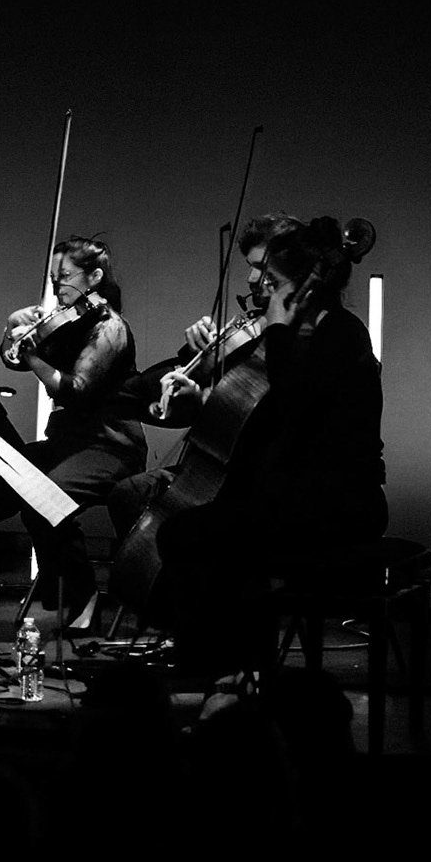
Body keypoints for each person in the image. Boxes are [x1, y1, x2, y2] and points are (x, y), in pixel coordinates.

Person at [110, 214, 386, 678]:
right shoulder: (300, 334)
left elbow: (293, 418)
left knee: (194, 536)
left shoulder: (339, 335)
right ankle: (227, 668)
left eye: (274, 281)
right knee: (193, 528)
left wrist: (276, 333)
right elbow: (259, 425)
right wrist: (203, 396)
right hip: (299, 494)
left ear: (303, 286)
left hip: (341, 502)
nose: (264, 291)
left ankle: (233, 673)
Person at [0, 237, 146, 631]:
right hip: (63, 445)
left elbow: (74, 386)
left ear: (94, 277)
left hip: (109, 447)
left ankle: (82, 593)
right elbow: (12, 359)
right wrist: (12, 329)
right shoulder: (68, 322)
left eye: (64, 277)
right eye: (53, 278)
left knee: (41, 495)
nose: (57, 288)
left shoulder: (110, 328)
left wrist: (32, 356)